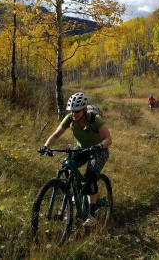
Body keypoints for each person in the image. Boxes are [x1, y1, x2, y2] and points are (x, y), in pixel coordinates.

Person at [39, 92, 112, 227]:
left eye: (77, 111)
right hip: (82, 148)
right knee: (67, 166)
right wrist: (46, 146)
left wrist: (99, 146)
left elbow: (108, 139)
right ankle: (77, 194)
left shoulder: (95, 119)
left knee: (90, 176)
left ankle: (91, 215)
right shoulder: (69, 119)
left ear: (84, 110)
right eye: (72, 111)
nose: (74, 113)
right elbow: (55, 135)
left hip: (99, 150)